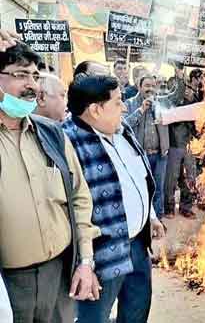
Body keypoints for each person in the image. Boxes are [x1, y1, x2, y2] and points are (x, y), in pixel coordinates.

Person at [0, 42, 100, 322]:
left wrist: (85, 261)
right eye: (21, 75)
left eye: (34, 75)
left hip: (59, 277)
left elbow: (80, 198)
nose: (32, 84)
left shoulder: (52, 135)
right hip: (9, 289)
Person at [63, 75, 165, 323]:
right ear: (96, 110)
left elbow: (138, 177)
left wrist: (150, 216)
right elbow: (69, 210)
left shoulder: (122, 130)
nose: (125, 106)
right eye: (118, 102)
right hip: (102, 255)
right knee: (94, 318)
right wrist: (84, 262)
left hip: (138, 245)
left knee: (136, 310)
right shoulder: (68, 143)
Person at [124, 67, 185, 218]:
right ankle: (145, 222)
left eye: (153, 86)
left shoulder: (160, 102)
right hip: (139, 156)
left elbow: (177, 96)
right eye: (147, 86)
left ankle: (158, 219)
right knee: (143, 189)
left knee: (158, 189)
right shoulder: (130, 103)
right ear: (139, 86)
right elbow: (123, 126)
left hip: (159, 156)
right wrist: (141, 110)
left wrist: (179, 77)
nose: (150, 89)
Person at [164, 69, 204, 219]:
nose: (186, 92)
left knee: (190, 177)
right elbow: (175, 106)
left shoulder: (195, 98)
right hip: (175, 143)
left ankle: (186, 207)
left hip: (189, 143)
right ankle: (168, 207)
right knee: (171, 179)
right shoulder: (171, 100)